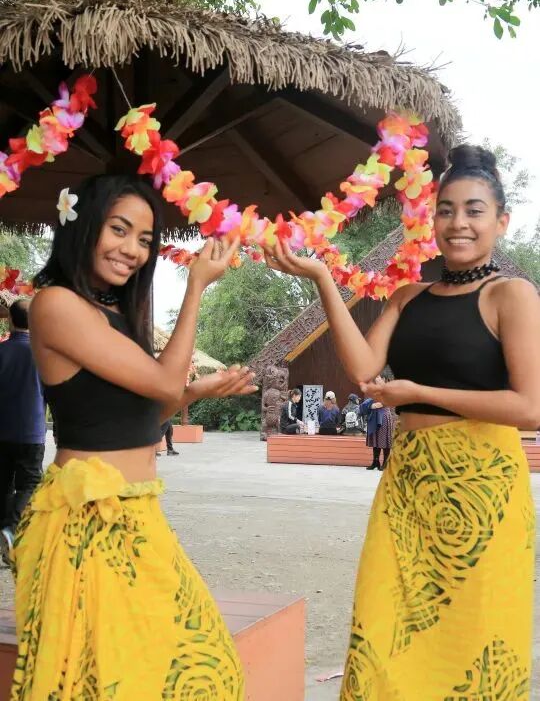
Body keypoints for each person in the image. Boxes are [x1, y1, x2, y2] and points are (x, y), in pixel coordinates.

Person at [263, 145, 540, 700]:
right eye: (446, 210)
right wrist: (322, 278)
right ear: (431, 219)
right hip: (408, 486)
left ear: (502, 221)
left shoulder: (511, 295)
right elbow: (364, 370)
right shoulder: (407, 297)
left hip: (482, 491)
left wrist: (418, 393)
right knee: (384, 627)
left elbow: (530, 406)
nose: (458, 223)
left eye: (475, 210)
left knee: (472, 636)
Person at [10, 175, 257, 700]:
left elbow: (142, 410)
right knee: (110, 682)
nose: (133, 250)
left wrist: (196, 392)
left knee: (204, 671)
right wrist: (196, 286)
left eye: (144, 240)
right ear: (82, 226)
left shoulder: (116, 314)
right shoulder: (54, 304)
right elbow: (163, 383)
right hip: (89, 518)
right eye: (119, 230)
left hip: (135, 510)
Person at [0, 300, 46, 565]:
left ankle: (4, 532)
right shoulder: (42, 355)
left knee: (3, 484)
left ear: (9, 320)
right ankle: (11, 528)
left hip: (2, 431)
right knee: (29, 484)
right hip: (31, 431)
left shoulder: (2, 351)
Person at [360, 375, 396, 470]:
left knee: (384, 441)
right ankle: (375, 462)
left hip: (384, 416)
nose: (377, 380)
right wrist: (370, 406)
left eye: (379, 378)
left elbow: (384, 402)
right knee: (376, 440)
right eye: (376, 378)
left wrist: (374, 405)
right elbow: (370, 403)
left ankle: (385, 462)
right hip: (374, 416)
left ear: (384, 380)